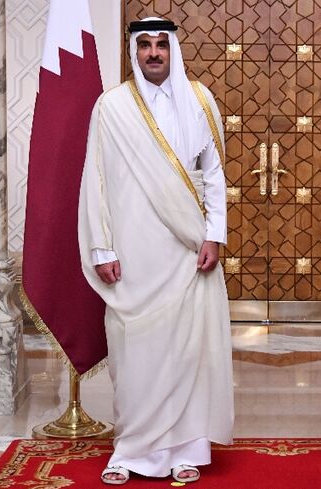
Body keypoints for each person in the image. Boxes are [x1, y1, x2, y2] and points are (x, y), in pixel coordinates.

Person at [77, 17, 233, 485]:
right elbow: (95, 181)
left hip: (188, 250)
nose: (153, 53)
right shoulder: (112, 107)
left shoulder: (201, 101)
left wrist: (215, 234)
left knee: (189, 351)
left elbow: (214, 176)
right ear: (133, 50)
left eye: (161, 44)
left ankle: (187, 448)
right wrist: (102, 247)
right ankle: (131, 450)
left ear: (174, 49)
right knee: (134, 351)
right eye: (144, 45)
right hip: (132, 250)